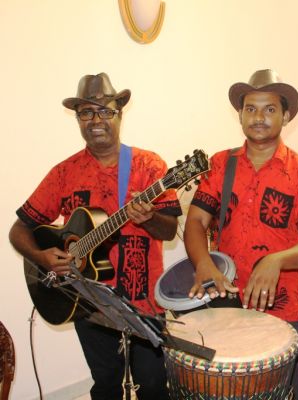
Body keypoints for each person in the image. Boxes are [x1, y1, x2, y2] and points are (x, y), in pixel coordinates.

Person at [8, 73, 180, 400]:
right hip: (87, 303)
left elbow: (169, 230)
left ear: (119, 114)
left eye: (105, 111)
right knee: (106, 384)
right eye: (86, 112)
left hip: (144, 302)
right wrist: (41, 257)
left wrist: (149, 218)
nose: (96, 120)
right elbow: (19, 230)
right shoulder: (63, 173)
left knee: (154, 385)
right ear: (77, 119)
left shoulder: (149, 165)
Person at [184, 69, 298, 400]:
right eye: (250, 108)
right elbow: (195, 222)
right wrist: (203, 263)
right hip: (225, 302)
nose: (259, 117)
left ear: (285, 117)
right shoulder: (220, 164)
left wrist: (276, 260)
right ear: (240, 115)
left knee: (281, 392)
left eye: (269, 109)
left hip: (280, 308)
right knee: (228, 391)